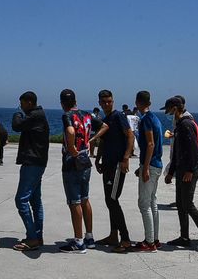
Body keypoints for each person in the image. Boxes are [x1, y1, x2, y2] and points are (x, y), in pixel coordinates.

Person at [162, 96, 198, 250]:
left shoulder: (185, 124)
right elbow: (177, 151)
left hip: (189, 170)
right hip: (181, 169)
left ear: (175, 108)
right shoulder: (180, 124)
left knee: (188, 204)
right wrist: (171, 172)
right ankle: (184, 237)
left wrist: (190, 170)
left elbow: (192, 150)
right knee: (180, 204)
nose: (168, 112)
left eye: (169, 109)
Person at [89, 89, 132, 252]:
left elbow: (130, 136)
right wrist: (98, 159)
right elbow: (104, 141)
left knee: (113, 200)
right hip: (107, 164)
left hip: (116, 166)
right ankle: (113, 235)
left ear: (113, 102)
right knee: (109, 200)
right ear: (99, 103)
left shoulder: (118, 116)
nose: (107, 104)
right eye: (104, 102)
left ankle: (126, 239)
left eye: (110, 101)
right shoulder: (105, 120)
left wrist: (126, 158)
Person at [56, 89, 95, 253]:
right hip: (85, 159)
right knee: (85, 198)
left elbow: (71, 131)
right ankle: (89, 237)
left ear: (62, 103)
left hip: (73, 162)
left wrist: (71, 149)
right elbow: (104, 126)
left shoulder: (67, 116)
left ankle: (78, 242)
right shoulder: (86, 114)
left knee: (74, 202)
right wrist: (90, 141)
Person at [11, 91, 49, 251]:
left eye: (22, 103)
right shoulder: (38, 115)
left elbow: (16, 126)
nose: (21, 106)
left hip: (32, 163)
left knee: (21, 200)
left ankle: (32, 237)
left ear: (29, 102)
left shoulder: (35, 115)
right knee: (35, 201)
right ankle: (37, 236)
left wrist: (17, 113)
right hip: (38, 162)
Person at [133, 91, 164, 251]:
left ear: (138, 102)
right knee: (152, 201)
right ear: (149, 102)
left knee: (144, 203)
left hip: (150, 166)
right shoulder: (155, 118)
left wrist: (145, 167)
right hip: (157, 164)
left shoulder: (145, 120)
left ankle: (150, 241)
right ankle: (155, 238)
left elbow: (150, 144)